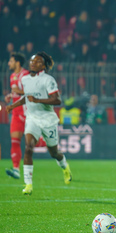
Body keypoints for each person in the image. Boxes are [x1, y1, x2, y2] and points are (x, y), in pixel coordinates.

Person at [6, 52, 72, 195]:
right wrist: (13, 105)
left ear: (43, 65)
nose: (32, 63)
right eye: (31, 61)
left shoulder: (48, 80)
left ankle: (64, 166)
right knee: (28, 148)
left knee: (54, 153)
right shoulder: (25, 79)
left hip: (48, 119)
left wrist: (37, 100)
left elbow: (57, 100)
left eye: (36, 61)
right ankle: (28, 184)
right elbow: (27, 97)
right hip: (32, 118)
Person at [4, 52, 30, 179]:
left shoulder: (25, 75)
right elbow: (15, 93)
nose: (9, 63)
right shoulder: (12, 76)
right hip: (16, 112)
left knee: (33, 142)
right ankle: (16, 169)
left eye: (11, 61)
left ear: (17, 63)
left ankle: (52, 146)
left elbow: (31, 91)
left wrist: (18, 92)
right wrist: (10, 96)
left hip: (26, 112)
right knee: (15, 141)